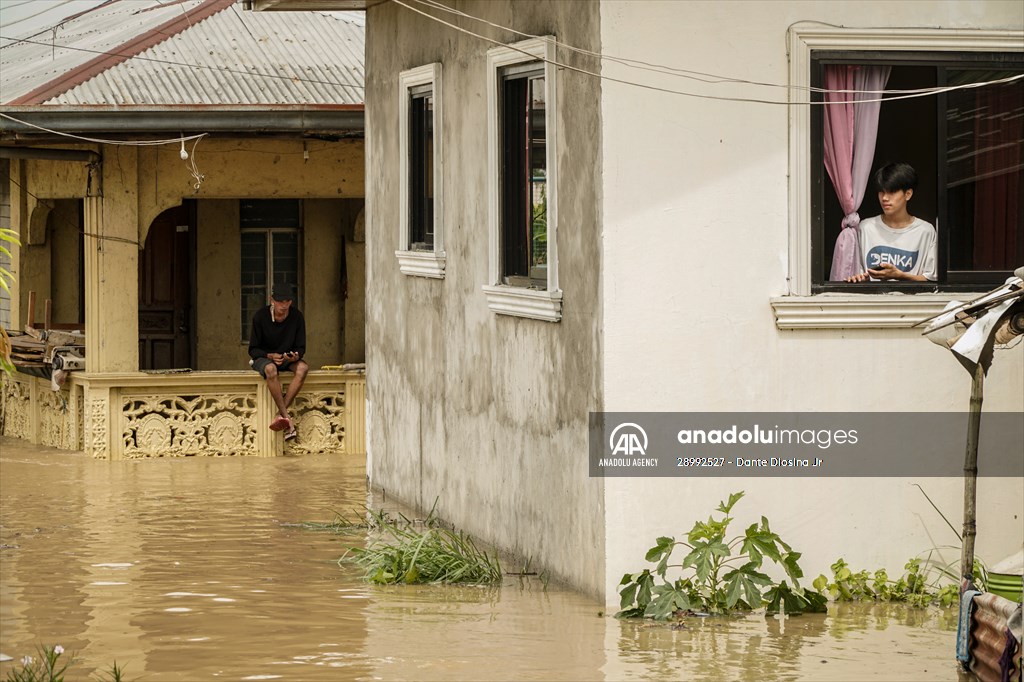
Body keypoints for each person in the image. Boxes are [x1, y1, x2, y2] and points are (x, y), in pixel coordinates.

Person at [845, 162, 937, 283]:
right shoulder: (866, 228)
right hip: (871, 300)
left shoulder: (925, 231)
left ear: (908, 194)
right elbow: (858, 273)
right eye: (881, 191)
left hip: (911, 300)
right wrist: (862, 279)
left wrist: (900, 276)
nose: (884, 198)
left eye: (891, 192)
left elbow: (931, 279)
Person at [248, 283, 308, 441]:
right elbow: (253, 350)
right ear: (272, 300)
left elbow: (301, 347)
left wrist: (295, 356)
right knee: (271, 370)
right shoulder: (260, 317)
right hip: (265, 358)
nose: (284, 305)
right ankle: (286, 416)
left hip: (286, 359)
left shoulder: (297, 316)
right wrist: (270, 355)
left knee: (303, 368)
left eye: (287, 301)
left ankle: (280, 415)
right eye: (280, 301)